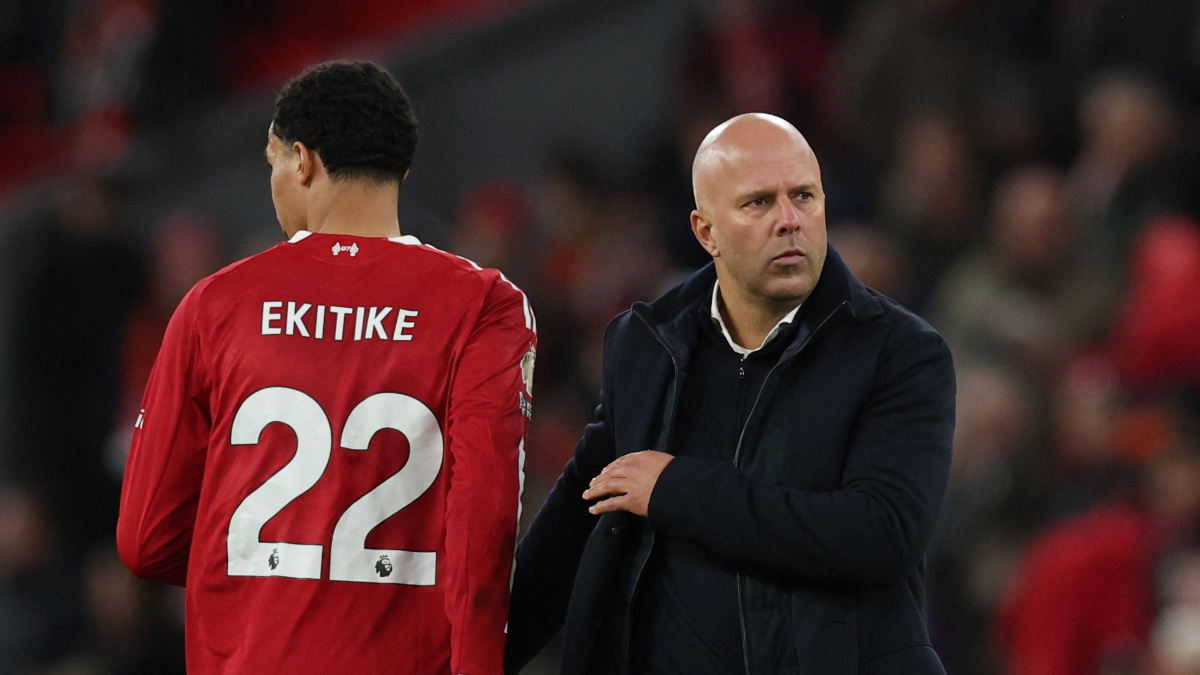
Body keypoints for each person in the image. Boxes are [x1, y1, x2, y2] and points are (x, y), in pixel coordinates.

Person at [117, 60, 537, 674]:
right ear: (402, 169)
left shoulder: (215, 304)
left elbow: (146, 539)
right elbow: (484, 528)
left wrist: (268, 556)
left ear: (302, 160)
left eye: (271, 163)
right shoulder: (485, 306)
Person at [505, 113, 956, 675]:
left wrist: (679, 489)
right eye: (758, 203)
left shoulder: (900, 352)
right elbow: (573, 527)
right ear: (705, 232)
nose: (790, 221)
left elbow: (880, 533)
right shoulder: (648, 346)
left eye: (804, 197)